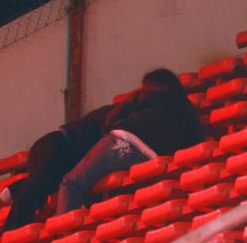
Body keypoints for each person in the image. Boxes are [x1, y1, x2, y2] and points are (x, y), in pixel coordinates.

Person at [54, 68, 204, 212]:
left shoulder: (145, 96)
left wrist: (109, 131)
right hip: (152, 160)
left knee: (72, 183)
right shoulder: (186, 112)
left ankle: (64, 233)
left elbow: (113, 116)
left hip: (122, 143)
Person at [2, 103, 115, 229]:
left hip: (67, 159)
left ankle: (18, 188)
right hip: (58, 146)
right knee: (38, 187)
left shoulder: (117, 114)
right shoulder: (119, 114)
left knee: (49, 183)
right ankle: (11, 228)